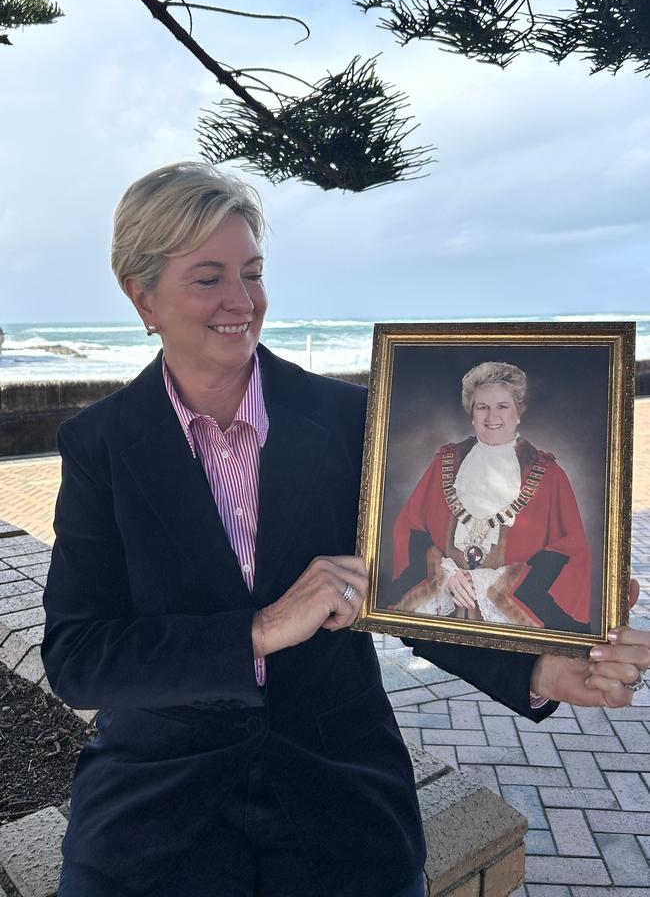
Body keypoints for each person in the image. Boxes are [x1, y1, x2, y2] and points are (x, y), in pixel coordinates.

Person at [41, 163, 649, 897]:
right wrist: (259, 630)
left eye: (253, 272)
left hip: (337, 778)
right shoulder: (99, 445)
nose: (242, 302)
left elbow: (410, 591)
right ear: (141, 296)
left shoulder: (349, 419)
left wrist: (539, 667)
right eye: (208, 278)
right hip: (162, 795)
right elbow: (79, 657)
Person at [391, 361, 592, 633]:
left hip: (513, 627)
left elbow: (571, 550)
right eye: (482, 407)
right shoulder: (445, 463)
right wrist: (444, 574)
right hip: (446, 619)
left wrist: (491, 583)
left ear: (518, 411)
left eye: (502, 406)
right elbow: (410, 529)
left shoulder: (548, 474)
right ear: (471, 413)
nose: (491, 417)